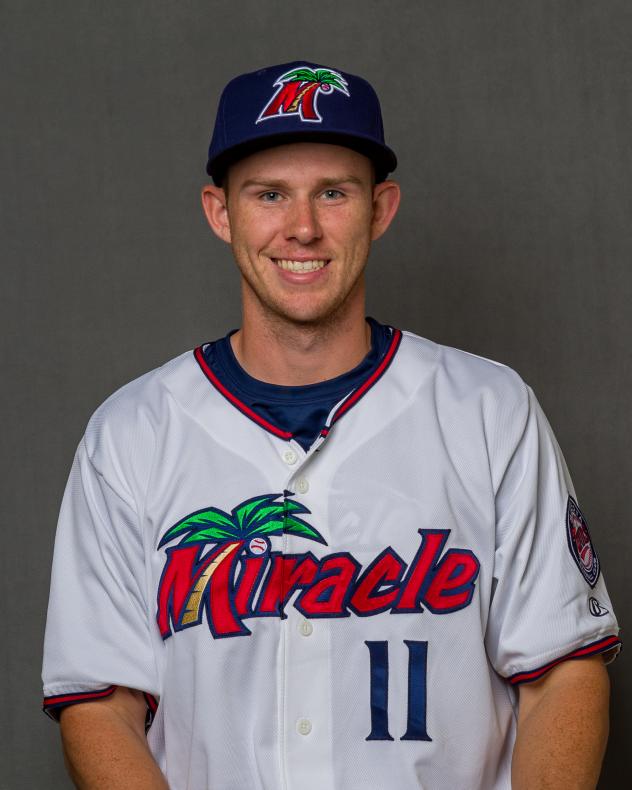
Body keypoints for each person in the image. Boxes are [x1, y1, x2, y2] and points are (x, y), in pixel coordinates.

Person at [42, 61, 620, 790]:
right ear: (221, 212)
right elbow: (101, 704)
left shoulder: (489, 410)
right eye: (270, 194)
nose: (304, 227)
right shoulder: (130, 433)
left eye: (334, 193)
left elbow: (563, 671)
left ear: (381, 209)